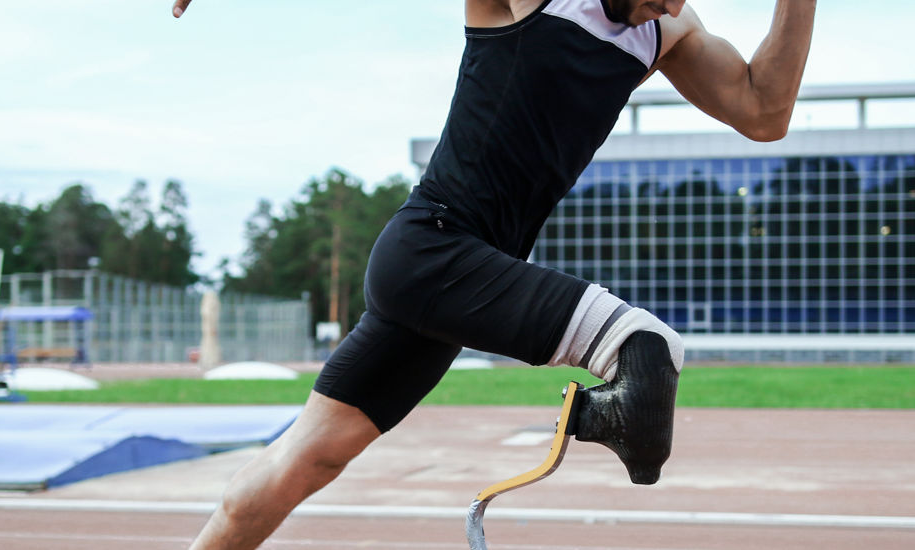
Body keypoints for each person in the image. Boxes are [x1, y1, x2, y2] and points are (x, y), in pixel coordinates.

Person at [174, 1, 816, 548]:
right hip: (433, 250)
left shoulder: (665, 30)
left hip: (456, 274)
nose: (673, 6)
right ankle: (600, 416)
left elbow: (765, 112)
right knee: (646, 349)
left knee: (304, 459)